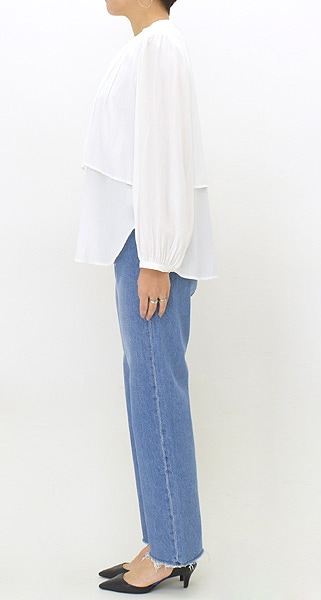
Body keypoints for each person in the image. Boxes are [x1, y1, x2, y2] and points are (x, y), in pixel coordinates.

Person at [76, 0, 215, 593]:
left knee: (156, 391)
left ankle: (172, 547)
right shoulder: (147, 47)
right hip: (140, 241)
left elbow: (163, 155)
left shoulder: (160, 45)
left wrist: (156, 257)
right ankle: (163, 536)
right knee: (148, 389)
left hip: (150, 245)